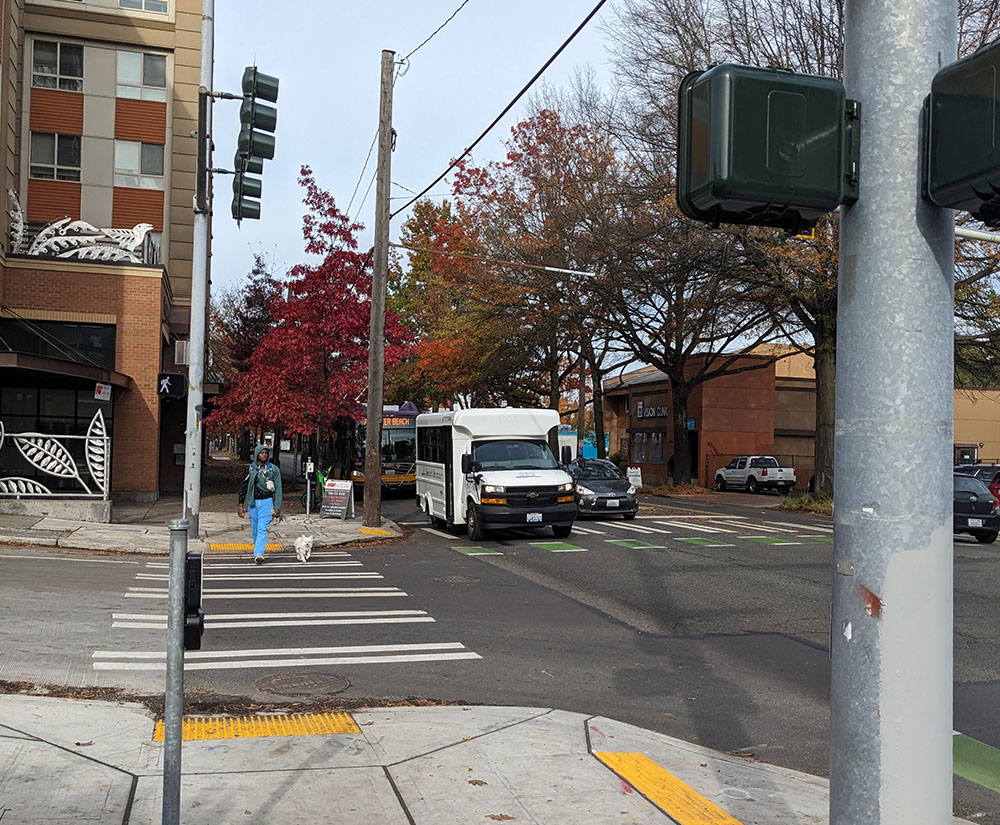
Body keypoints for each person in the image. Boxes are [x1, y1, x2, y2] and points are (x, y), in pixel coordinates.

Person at [238, 444, 282, 564]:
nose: (264, 455)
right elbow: (243, 487)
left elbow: (278, 489)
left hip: (267, 502)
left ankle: (259, 554)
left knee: (262, 528)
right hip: (252, 502)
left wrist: (277, 507)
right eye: (262, 453)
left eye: (266, 453)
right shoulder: (250, 469)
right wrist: (241, 505)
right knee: (255, 529)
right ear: (257, 454)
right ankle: (257, 551)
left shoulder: (273, 469)